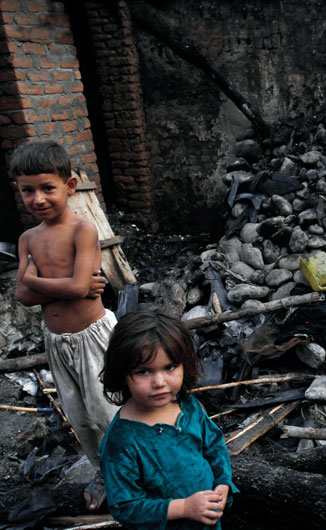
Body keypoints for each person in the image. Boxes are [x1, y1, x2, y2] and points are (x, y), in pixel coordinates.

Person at [11, 140, 118, 511]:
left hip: (93, 338)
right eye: (28, 190)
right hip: (57, 342)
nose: (38, 198)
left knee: (109, 409)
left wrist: (36, 281)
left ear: (70, 186)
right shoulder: (28, 239)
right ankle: (103, 470)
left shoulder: (81, 230)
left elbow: (67, 288)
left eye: (47, 188)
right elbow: (22, 296)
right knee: (80, 416)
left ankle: (134, 468)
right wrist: (66, 289)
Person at [99, 310, 238, 529]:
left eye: (169, 367)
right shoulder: (122, 441)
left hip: (206, 517)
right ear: (122, 373)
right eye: (144, 371)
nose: (159, 382)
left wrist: (222, 482)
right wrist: (184, 508)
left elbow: (213, 444)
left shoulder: (187, 405)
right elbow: (125, 507)